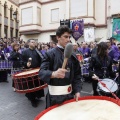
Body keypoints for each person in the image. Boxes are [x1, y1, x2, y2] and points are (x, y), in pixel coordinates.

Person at [39, 25, 82, 108]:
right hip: (54, 98)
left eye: (69, 37)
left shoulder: (73, 55)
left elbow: (77, 75)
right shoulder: (50, 54)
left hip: (70, 96)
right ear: (58, 37)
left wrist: (77, 91)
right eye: (65, 37)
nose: (68, 39)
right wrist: (54, 74)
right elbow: (41, 73)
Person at [22, 39, 44, 107]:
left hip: (37, 71)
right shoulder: (25, 51)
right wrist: (26, 64)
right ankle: (33, 100)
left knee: (37, 84)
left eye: (34, 42)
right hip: (29, 71)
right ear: (28, 44)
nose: (34, 43)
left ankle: (37, 96)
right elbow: (22, 61)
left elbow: (41, 60)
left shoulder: (37, 51)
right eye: (32, 42)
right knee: (31, 86)